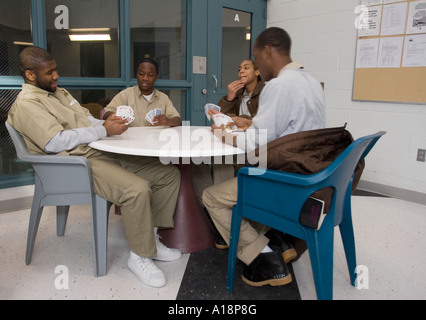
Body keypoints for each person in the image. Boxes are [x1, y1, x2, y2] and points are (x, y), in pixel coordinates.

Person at [7, 46, 182, 288]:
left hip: (98, 151)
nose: (56, 76)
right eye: (50, 72)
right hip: (76, 164)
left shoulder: (58, 92)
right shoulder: (27, 104)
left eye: (56, 69)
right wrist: (102, 131)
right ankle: (139, 256)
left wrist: (105, 122)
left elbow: (84, 118)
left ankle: (150, 242)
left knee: (168, 175)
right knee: (137, 189)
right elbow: (54, 141)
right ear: (30, 75)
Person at [202, 27, 326, 287]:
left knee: (211, 196)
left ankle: (264, 258)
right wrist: (250, 124)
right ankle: (273, 238)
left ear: (268, 52)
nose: (258, 66)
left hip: (282, 180)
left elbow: (254, 144)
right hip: (309, 173)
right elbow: (287, 129)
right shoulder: (311, 82)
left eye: (257, 59)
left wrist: (224, 135)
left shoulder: (278, 86)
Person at [103, 58, 182, 127]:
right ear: (137, 74)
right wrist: (118, 117)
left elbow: (178, 120)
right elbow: (106, 114)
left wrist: (168, 121)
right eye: (141, 74)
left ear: (156, 77)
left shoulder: (163, 98)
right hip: (130, 142)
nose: (145, 78)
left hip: (155, 142)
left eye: (150, 75)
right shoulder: (125, 95)